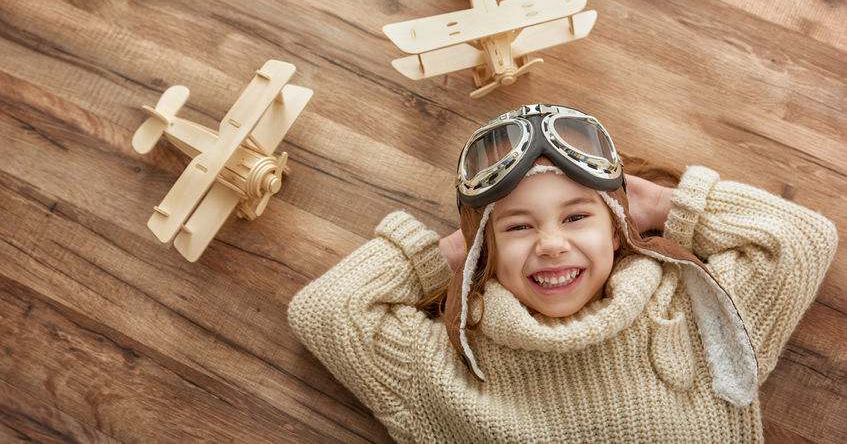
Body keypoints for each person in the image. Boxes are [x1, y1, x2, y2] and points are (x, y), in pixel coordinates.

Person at [288, 104, 837, 443]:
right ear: (487, 249)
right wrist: (461, 247)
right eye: (519, 228)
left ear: (619, 227)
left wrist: (660, 205)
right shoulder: (443, 365)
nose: (552, 244)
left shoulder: (698, 313)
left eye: (577, 216)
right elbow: (327, 310)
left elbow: (801, 240)